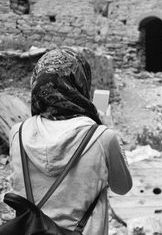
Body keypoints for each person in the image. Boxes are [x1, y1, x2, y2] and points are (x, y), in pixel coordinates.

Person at [8, 48, 132, 235]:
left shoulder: (17, 132)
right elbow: (123, 187)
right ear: (80, 84)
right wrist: (107, 128)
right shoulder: (102, 137)